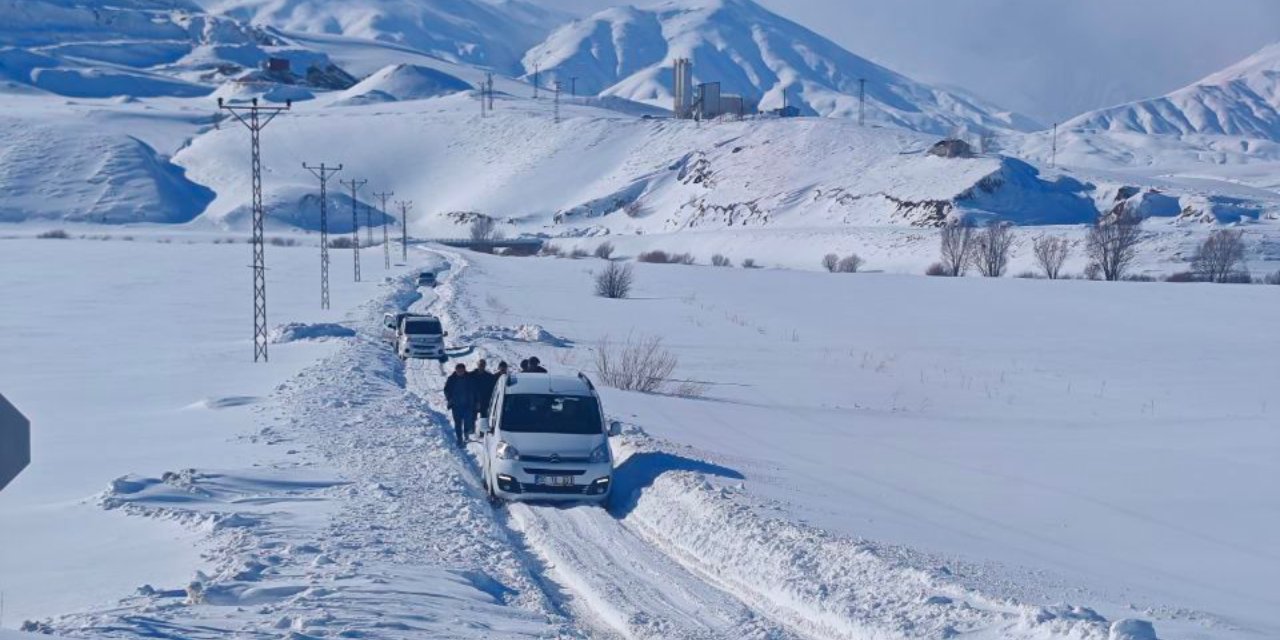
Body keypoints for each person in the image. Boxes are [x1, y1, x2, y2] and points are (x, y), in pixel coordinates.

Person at [443, 363, 475, 447]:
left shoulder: (469, 378)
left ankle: (466, 434)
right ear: (456, 370)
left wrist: (475, 401)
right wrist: (450, 399)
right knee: (458, 423)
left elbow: (474, 390)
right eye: (458, 370)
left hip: (467, 405)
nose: (460, 372)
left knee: (467, 421)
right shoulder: (451, 379)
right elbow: (446, 390)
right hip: (456, 405)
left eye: (461, 370)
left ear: (464, 370)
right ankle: (459, 439)